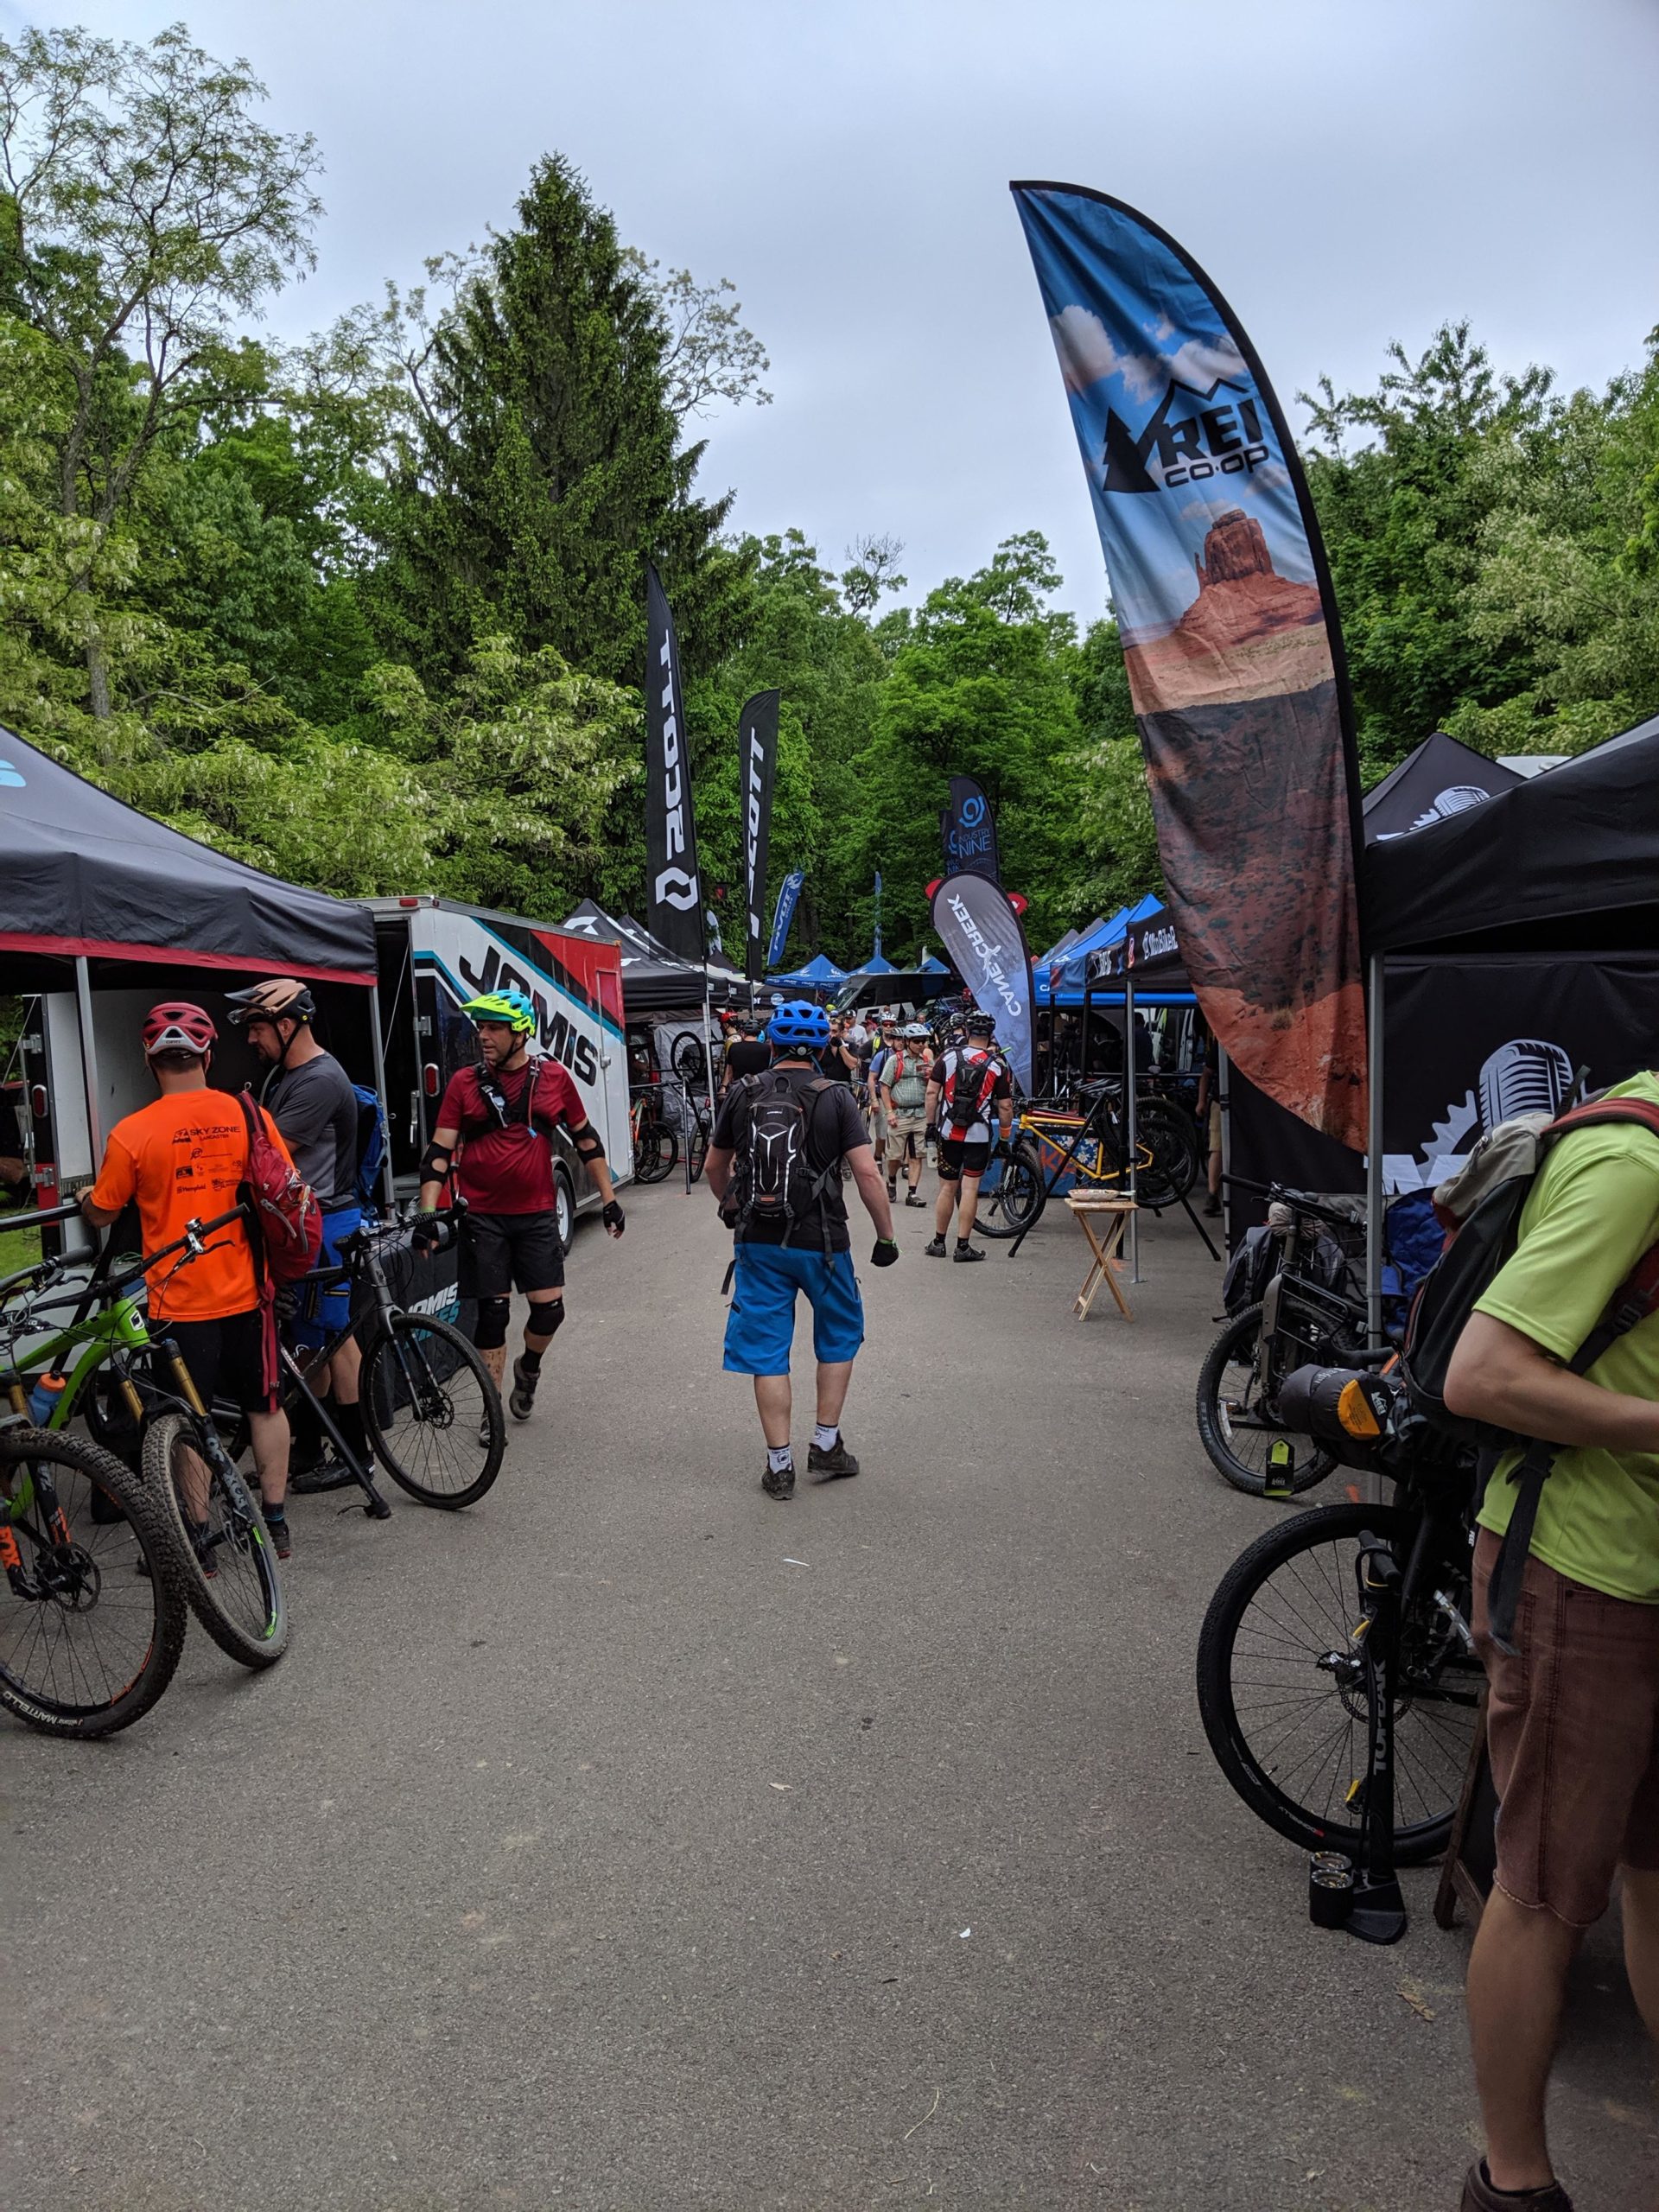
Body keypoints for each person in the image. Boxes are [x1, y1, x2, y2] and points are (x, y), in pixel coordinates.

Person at [1442, 1068, 1659, 2212]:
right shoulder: (1637, 1163)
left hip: (1643, 1569)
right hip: (1585, 1573)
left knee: (1656, 1871)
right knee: (1543, 1890)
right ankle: (1513, 2184)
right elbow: (1483, 1376)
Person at [80, 1004, 296, 1557]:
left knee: (186, 1421)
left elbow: (104, 1211)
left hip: (178, 1303)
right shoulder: (247, 1114)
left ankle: (198, 1538)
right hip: (250, 1290)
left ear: (149, 1062)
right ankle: (274, 1523)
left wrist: (86, 1199)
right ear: (207, 1054)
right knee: (265, 1406)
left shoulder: (132, 1133)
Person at [705, 998, 897, 1499]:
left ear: (770, 1044)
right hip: (825, 1243)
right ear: (822, 1047)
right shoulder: (836, 1097)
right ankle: (826, 1444)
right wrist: (886, 1237)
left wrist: (731, 1206)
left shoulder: (743, 1093)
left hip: (759, 1244)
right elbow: (868, 1173)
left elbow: (712, 1167)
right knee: (838, 1335)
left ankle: (780, 1465)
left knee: (768, 1352)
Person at [416, 988, 625, 1426]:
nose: (484, 1036)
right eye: (481, 1028)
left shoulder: (553, 1079)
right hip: (482, 1217)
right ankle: (493, 1412)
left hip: (535, 1215)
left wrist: (609, 1200)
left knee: (550, 1311)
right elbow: (438, 1154)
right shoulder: (463, 1083)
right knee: (492, 1316)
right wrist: (427, 1215)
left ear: (521, 1032)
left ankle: (528, 1368)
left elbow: (587, 1141)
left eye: (494, 1027)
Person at [227, 977, 372, 1485]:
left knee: (333, 1341)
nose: (251, 1040)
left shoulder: (318, 1081)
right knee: (305, 1340)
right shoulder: (283, 1076)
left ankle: (357, 1456)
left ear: (287, 1026)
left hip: (324, 1221)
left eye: (257, 1028)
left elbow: (264, 1153)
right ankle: (308, 1449)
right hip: (301, 1224)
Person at [925, 1010, 1014, 1262]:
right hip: (978, 1135)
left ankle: (938, 1242)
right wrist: (1005, 1138)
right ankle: (963, 1247)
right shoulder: (998, 1065)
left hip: (948, 1133)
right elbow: (1006, 1107)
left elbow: (932, 1093)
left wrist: (931, 1125)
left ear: (966, 1031)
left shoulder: (948, 1056)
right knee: (970, 1188)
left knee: (947, 1188)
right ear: (990, 1035)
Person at [880, 1022, 933, 1207]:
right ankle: (892, 1181)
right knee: (894, 1156)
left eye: (923, 1041)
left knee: (916, 1155)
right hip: (900, 1114)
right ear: (908, 1041)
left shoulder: (926, 1062)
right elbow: (885, 1086)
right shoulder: (895, 1061)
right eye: (917, 1041)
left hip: (920, 1114)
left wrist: (931, 1078)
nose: (921, 1044)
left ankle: (912, 1193)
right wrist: (889, 1112)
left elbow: (934, 1088)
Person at [721, 1014, 771, 1095]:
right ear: (758, 1034)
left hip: (740, 1088)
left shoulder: (734, 1047)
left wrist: (724, 1087)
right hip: (761, 1088)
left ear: (743, 1033)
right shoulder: (767, 1048)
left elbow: (729, 1072)